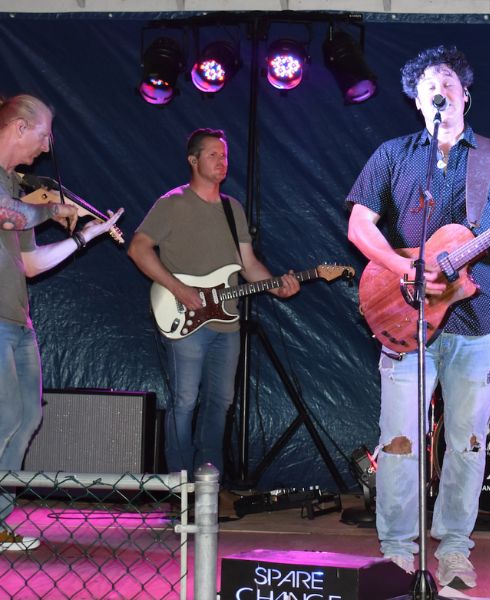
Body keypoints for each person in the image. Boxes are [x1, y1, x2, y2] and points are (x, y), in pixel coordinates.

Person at [346, 46, 490, 588]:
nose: (439, 89)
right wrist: (404, 264)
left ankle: (453, 550)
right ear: (416, 99)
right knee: (399, 438)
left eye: (448, 81)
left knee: (467, 440)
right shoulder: (395, 154)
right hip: (405, 316)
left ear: (464, 95)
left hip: (478, 318)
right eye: (428, 83)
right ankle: (398, 550)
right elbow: (359, 225)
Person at [128, 128, 300, 482]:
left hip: (227, 324)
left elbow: (249, 265)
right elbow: (138, 248)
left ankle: (208, 484)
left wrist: (277, 287)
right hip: (185, 319)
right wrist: (178, 288)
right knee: (186, 402)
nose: (222, 162)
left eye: (224, 156)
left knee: (220, 403)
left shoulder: (231, 207)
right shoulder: (171, 204)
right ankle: (180, 486)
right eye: (213, 155)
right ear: (193, 160)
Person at [0, 94, 124, 551]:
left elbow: (30, 263)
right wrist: (54, 209)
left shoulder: (18, 189)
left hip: (17, 320)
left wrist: (85, 238)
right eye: (43, 133)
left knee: (27, 416)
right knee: (6, 415)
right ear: (18, 127)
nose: (47, 145)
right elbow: (8, 217)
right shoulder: (11, 195)